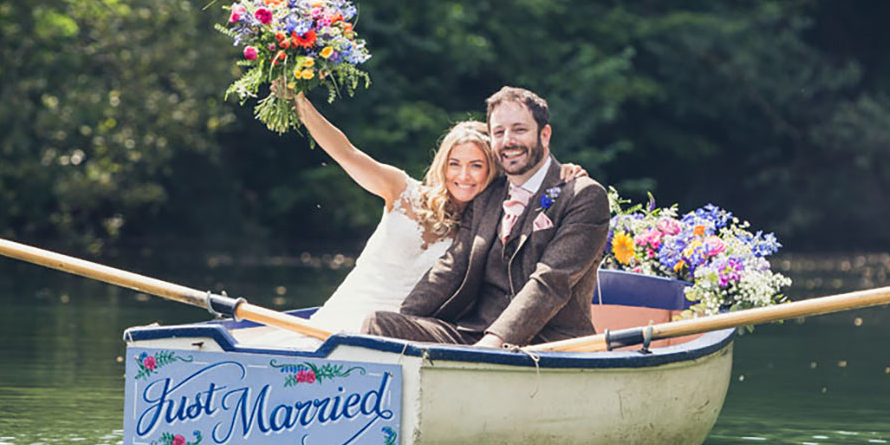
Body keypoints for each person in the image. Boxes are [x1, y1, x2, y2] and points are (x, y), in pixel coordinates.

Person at [236, 89, 586, 347]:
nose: (463, 176)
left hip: (402, 334)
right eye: (455, 164)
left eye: (476, 166)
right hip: (341, 316)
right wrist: (300, 103)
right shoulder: (402, 190)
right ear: (443, 164)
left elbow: (531, 174)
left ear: (491, 170)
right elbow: (346, 153)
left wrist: (561, 175)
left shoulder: (488, 221)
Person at [362, 86, 610, 348]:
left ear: (545, 135)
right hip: (473, 334)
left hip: (547, 344)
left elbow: (551, 282)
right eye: (499, 132)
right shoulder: (488, 196)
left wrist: (493, 343)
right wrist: (407, 318)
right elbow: (451, 268)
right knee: (380, 325)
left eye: (520, 130)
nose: (508, 140)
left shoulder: (582, 195)